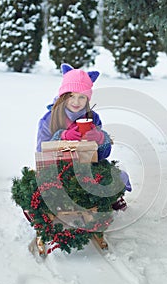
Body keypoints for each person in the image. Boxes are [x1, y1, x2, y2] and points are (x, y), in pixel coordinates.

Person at [36, 63, 131, 209]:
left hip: (88, 168)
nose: (76, 102)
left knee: (113, 176)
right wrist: (62, 136)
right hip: (58, 170)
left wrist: (100, 139)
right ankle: (40, 209)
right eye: (71, 96)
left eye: (82, 97)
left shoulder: (93, 117)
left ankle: (108, 200)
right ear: (63, 96)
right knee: (41, 186)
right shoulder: (49, 118)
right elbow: (41, 151)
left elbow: (102, 155)